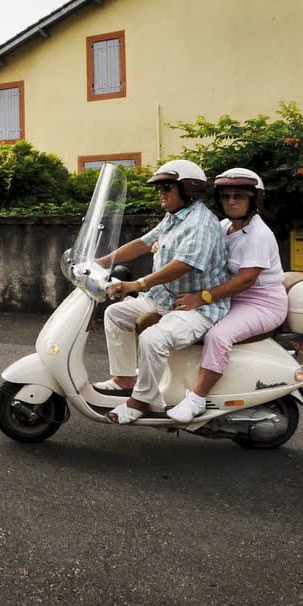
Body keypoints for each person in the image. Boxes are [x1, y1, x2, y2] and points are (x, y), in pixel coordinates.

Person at [93, 159, 230, 424]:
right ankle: (125, 378)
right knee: (116, 314)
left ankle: (142, 401)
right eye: (160, 187)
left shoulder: (200, 224)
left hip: (196, 306)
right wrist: (102, 262)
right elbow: (143, 243)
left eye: (167, 187)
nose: (161, 193)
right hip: (166, 298)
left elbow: (184, 265)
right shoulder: (175, 218)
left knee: (153, 339)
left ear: (187, 189)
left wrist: (137, 284)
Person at [165, 167, 288, 422]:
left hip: (261, 303)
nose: (231, 201)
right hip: (228, 297)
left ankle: (197, 399)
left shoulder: (258, 234)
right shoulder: (224, 226)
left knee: (218, 335)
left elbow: (246, 280)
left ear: (254, 200)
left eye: (240, 196)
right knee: (166, 319)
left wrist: (202, 297)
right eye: (226, 196)